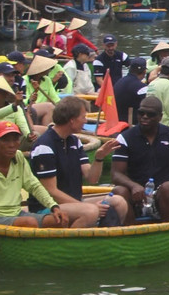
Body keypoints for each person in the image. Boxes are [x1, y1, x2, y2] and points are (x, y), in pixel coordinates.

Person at [0, 120, 68, 238]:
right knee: (29, 223)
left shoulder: (19, 157)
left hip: (16, 214)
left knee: (60, 220)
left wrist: (54, 206)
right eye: (6, 140)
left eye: (15, 140)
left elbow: (34, 185)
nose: (12, 145)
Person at [29, 97, 124, 228]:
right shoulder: (44, 147)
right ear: (72, 120)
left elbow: (92, 179)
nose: (85, 121)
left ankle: (106, 241)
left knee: (118, 202)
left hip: (75, 202)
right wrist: (83, 206)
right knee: (91, 211)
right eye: (83, 117)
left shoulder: (74, 141)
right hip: (48, 208)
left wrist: (99, 158)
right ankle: (68, 245)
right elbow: (51, 191)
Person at [111, 95, 169, 223]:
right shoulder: (125, 138)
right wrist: (133, 186)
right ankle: (131, 232)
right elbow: (115, 174)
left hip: (164, 195)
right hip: (136, 195)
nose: (145, 117)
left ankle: (167, 230)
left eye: (150, 114)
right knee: (119, 190)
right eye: (141, 113)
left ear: (160, 117)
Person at [113, 57, 149, 125]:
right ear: (144, 71)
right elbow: (148, 106)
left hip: (117, 122)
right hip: (132, 124)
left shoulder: (119, 82)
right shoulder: (141, 87)